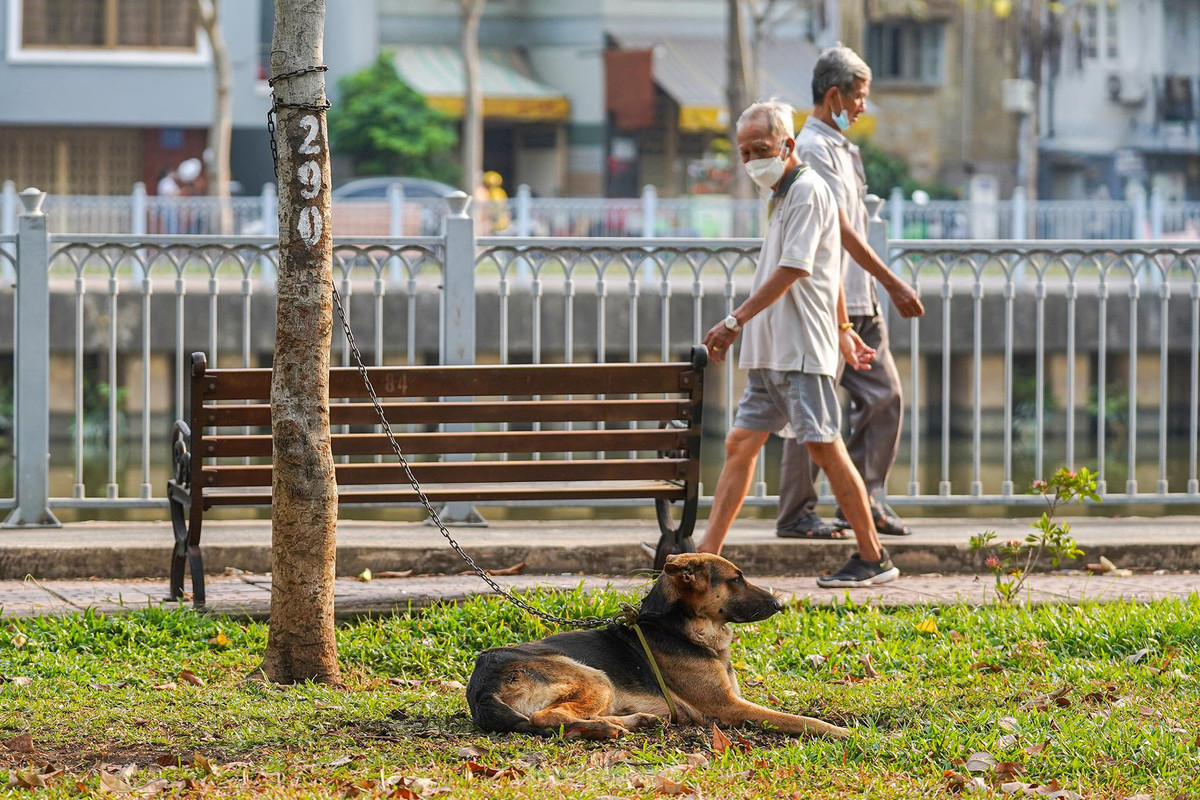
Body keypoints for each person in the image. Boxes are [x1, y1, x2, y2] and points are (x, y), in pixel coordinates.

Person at [696, 99, 899, 588]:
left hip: (800, 351)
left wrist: (734, 320)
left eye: (760, 149)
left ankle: (873, 557)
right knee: (740, 443)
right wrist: (847, 330)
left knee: (826, 448)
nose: (751, 161)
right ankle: (704, 559)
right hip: (773, 353)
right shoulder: (785, 195)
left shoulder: (807, 191)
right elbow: (829, 274)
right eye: (744, 153)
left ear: (788, 144)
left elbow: (797, 268)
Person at [774, 46, 925, 542]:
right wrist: (893, 280)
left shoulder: (843, 147)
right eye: (858, 97)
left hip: (859, 301)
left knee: (885, 396)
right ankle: (797, 513)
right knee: (812, 410)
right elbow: (842, 232)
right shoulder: (814, 147)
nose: (863, 106)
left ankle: (864, 501)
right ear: (834, 95)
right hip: (828, 301)